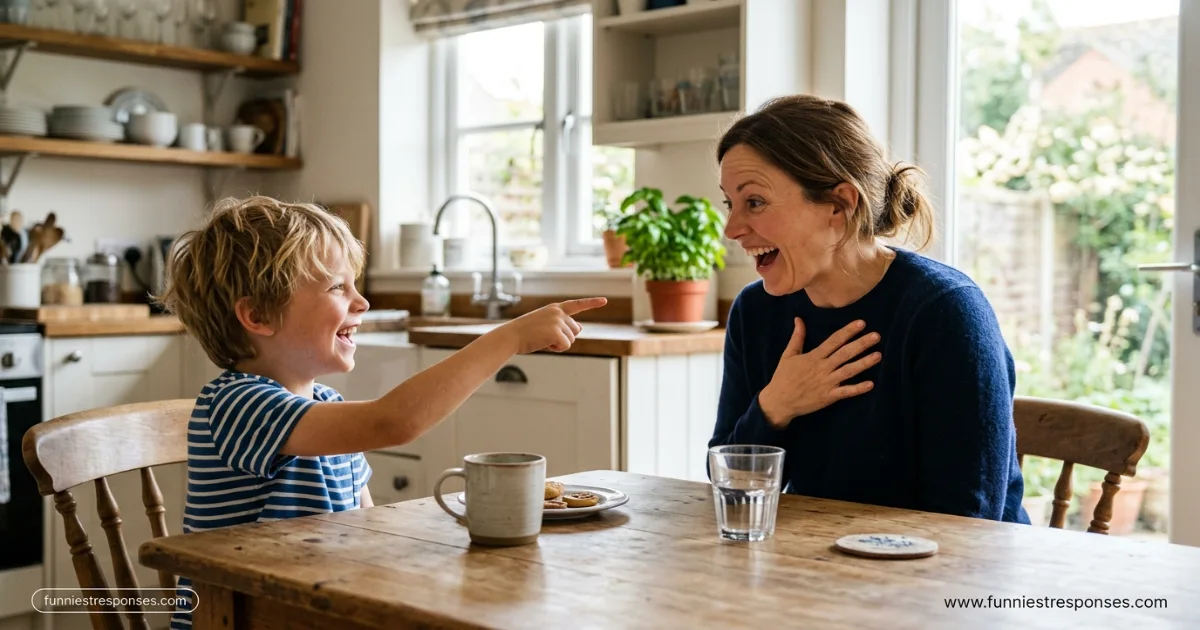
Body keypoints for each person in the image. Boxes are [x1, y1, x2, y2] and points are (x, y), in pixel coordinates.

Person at [158, 196, 606, 628]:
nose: (362, 302)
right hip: (238, 617)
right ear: (257, 315)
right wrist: (506, 339)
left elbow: (367, 525)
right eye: (337, 286)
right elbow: (393, 421)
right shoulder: (238, 404)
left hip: (314, 608)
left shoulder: (326, 406)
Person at [709, 95, 1029, 524]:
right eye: (731, 203)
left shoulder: (947, 313)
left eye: (755, 202)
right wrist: (775, 406)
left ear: (839, 206)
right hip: (819, 565)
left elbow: (968, 520)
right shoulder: (755, 312)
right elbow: (729, 493)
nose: (732, 229)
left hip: (948, 577)